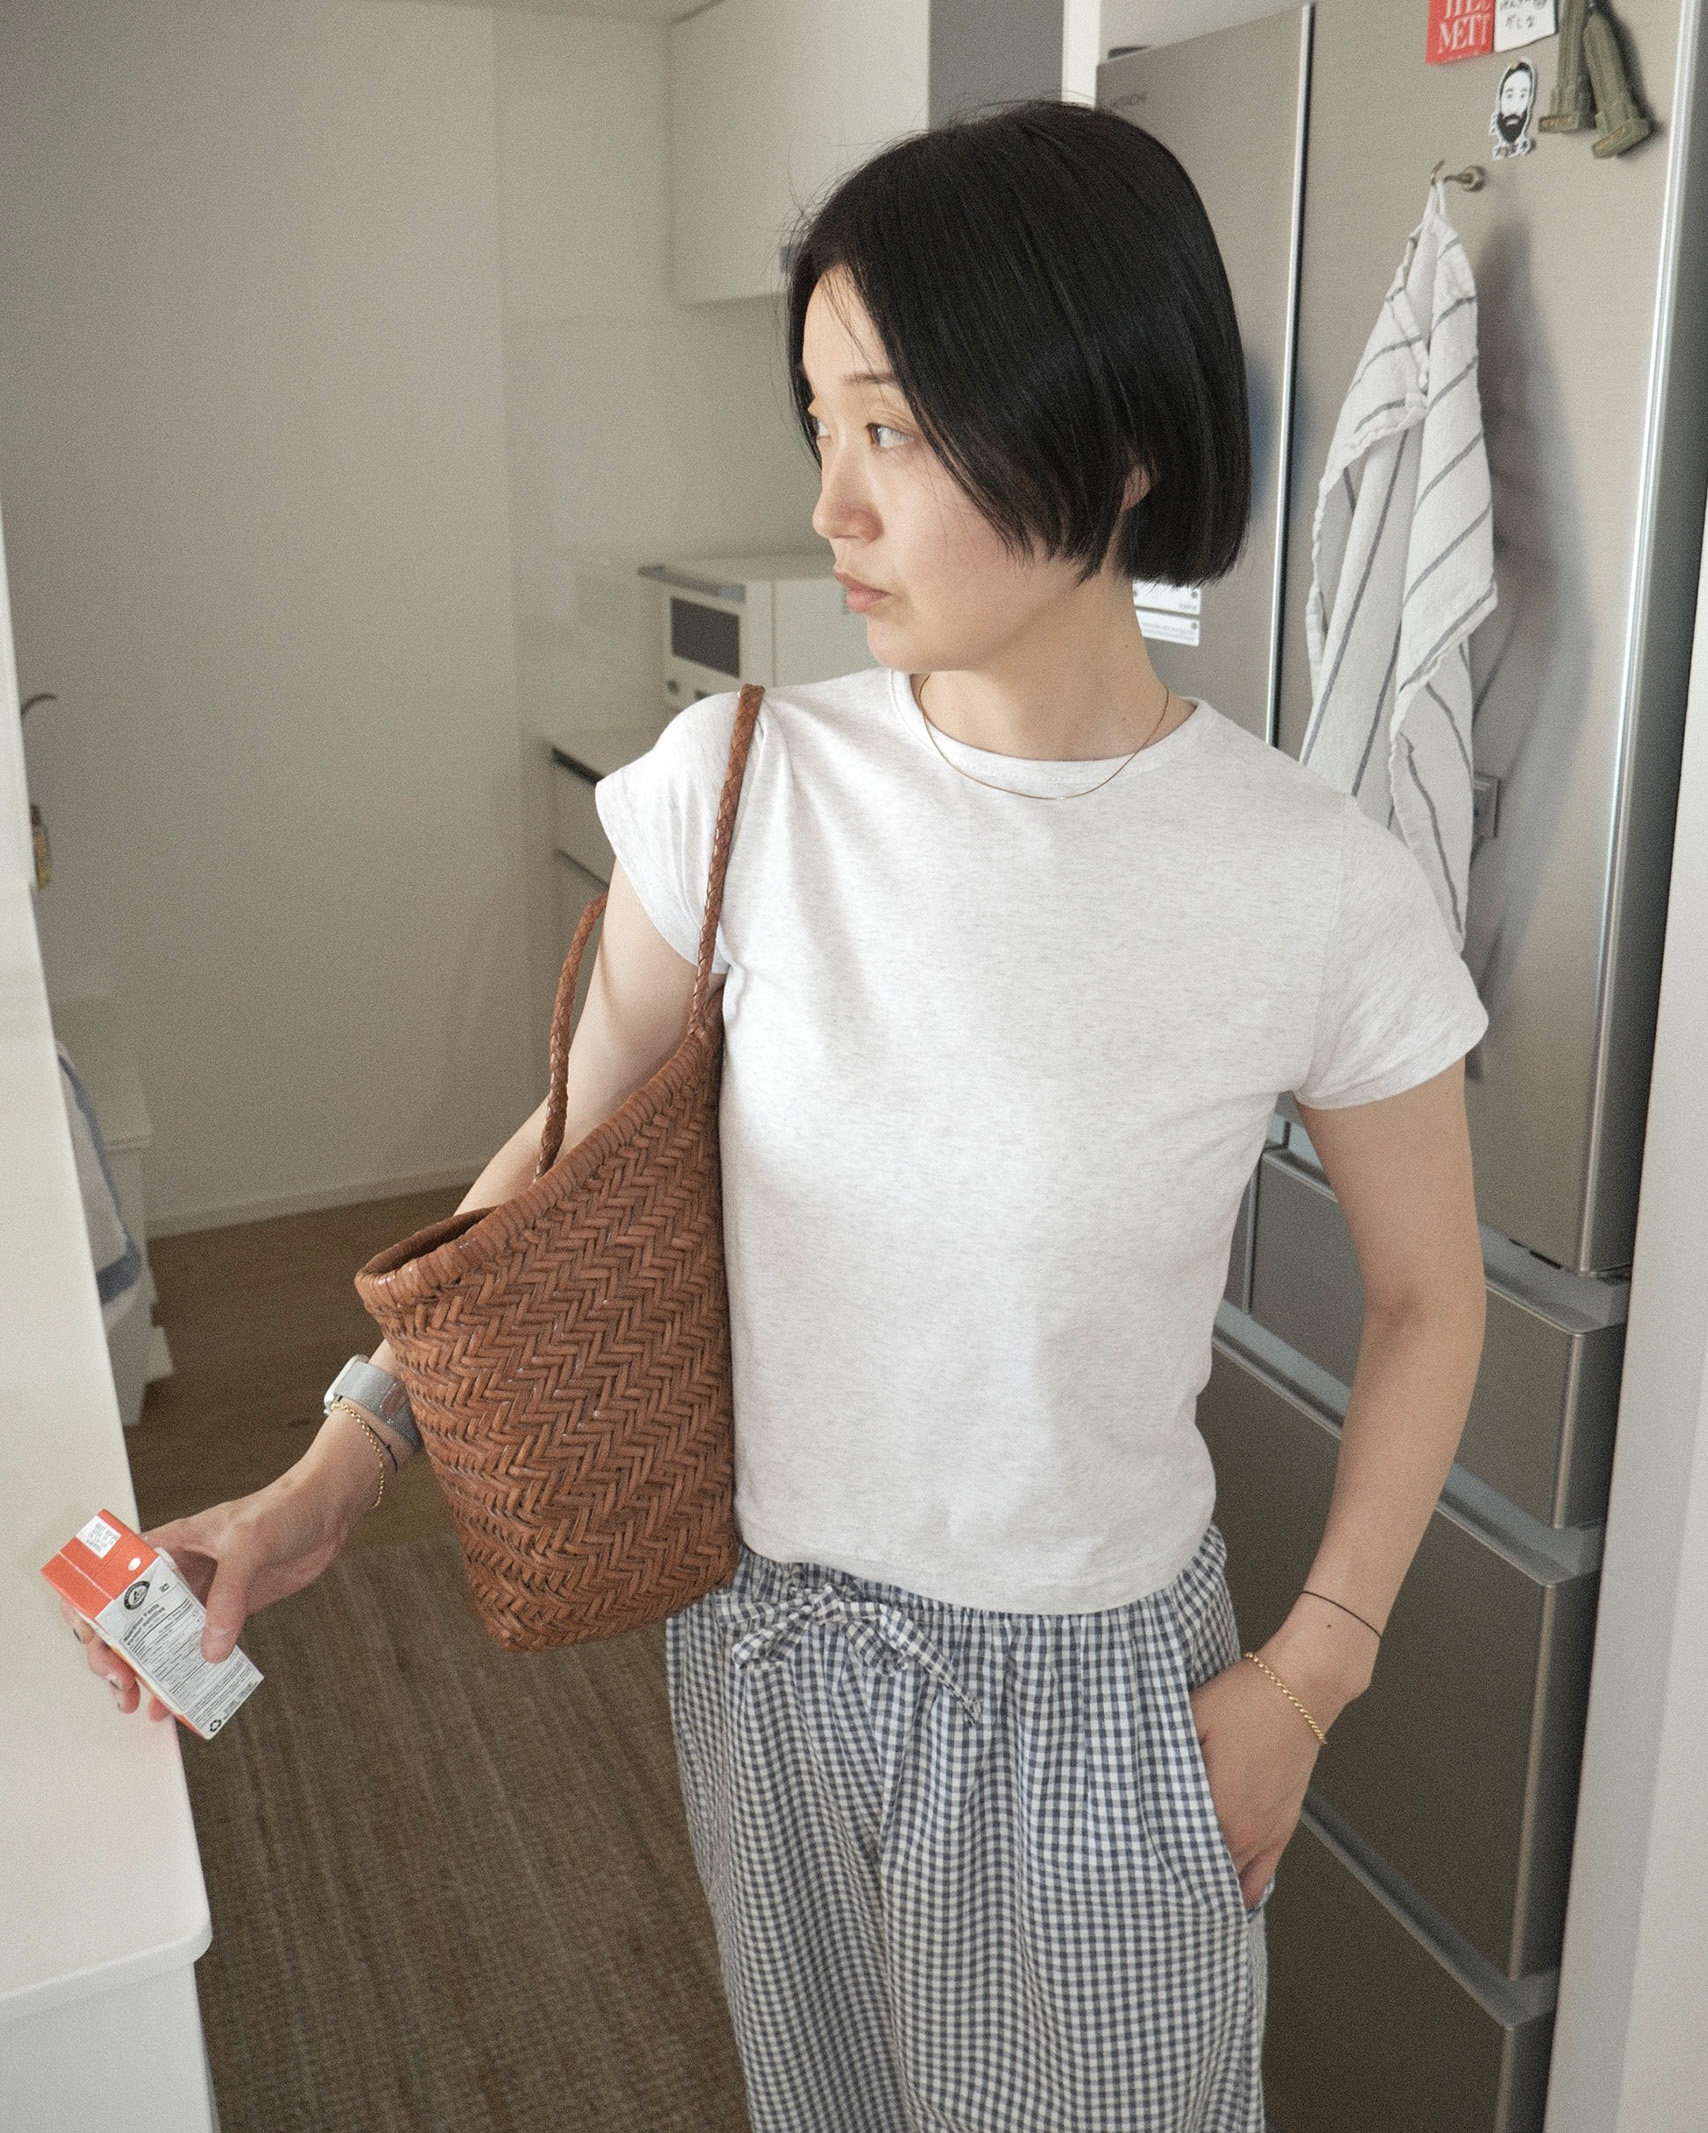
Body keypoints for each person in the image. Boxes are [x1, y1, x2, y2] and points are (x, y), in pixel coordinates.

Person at [75, 103, 1488, 2132]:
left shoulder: (1309, 879)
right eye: (821, 423)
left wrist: (1311, 1673)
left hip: (1093, 1705)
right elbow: (552, 1184)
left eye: (894, 428)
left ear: (1117, 441)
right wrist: (336, 1463)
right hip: (768, 1659)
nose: (832, 500)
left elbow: (1429, 1295)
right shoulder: (734, 784)